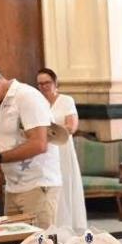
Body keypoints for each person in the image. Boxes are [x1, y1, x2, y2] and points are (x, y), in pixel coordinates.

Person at [0, 60, 61, 229]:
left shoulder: (26, 97)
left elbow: (39, 144)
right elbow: (13, 144)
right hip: (13, 188)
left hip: (37, 186)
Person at [37, 67, 87, 234]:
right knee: (49, 187)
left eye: (47, 83)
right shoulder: (37, 102)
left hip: (63, 148)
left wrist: (49, 131)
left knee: (65, 183)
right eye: (40, 83)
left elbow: (71, 127)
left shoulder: (66, 100)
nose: (44, 86)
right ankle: (51, 225)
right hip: (45, 151)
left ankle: (68, 226)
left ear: (55, 83)